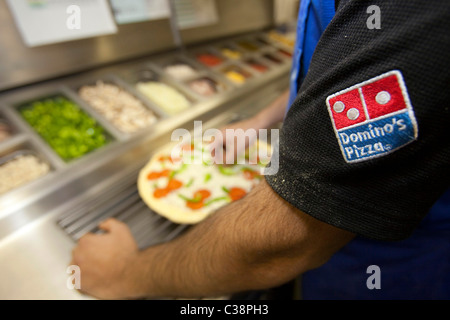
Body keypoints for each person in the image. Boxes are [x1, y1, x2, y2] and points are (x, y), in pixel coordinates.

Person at [71, 0, 450, 300]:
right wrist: (259, 122)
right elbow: (339, 72)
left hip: (387, 264)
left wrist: (125, 273)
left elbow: (286, 239)